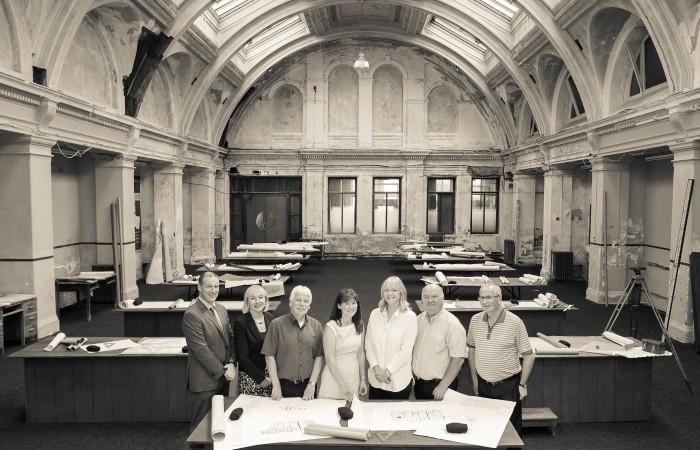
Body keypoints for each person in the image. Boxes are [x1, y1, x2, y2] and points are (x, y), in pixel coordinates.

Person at [467, 283, 535, 435]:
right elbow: (471, 350)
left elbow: (529, 355)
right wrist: (475, 380)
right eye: (482, 298)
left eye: (489, 297)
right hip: (483, 385)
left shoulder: (515, 322)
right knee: (485, 429)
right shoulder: (475, 320)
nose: (485, 302)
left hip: (508, 386)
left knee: (511, 432)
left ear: (500, 298)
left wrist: (522, 385)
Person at [182, 271, 236, 430]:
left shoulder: (221, 308)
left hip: (224, 377)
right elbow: (201, 350)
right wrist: (224, 370)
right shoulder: (192, 315)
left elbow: (230, 338)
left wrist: (232, 362)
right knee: (201, 428)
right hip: (205, 381)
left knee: (220, 427)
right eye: (208, 287)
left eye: (216, 286)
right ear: (199, 287)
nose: (213, 290)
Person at [262, 285, 324, 400]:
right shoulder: (276, 325)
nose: (302, 304)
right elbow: (269, 356)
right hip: (283, 386)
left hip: (307, 386)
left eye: (306, 301)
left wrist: (312, 384)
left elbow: (319, 357)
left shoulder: (317, 326)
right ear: (290, 302)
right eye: (298, 300)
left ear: (309, 305)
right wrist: (276, 385)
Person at [365, 276, 417, 399]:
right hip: (376, 379)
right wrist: (377, 371)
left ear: (401, 293)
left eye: (394, 290)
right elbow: (368, 345)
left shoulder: (410, 317)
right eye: (386, 290)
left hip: (398, 381)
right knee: (376, 416)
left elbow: (405, 351)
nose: (389, 293)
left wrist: (387, 372)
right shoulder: (375, 314)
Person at [412, 283, 466, 400]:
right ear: (422, 299)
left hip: (440, 387)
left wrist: (443, 386)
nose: (430, 300)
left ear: (443, 298)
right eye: (426, 297)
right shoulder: (418, 319)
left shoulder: (452, 324)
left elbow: (458, 360)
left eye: (434, 296)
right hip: (420, 384)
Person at [318, 288, 368, 401]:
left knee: (351, 413)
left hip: (353, 378)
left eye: (354, 303)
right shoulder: (331, 327)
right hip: (334, 379)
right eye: (347, 303)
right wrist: (341, 384)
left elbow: (360, 353)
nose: (351, 307)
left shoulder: (360, 325)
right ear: (339, 306)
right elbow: (330, 359)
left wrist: (363, 379)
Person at [234, 284, 274, 397]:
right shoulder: (241, 323)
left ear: (265, 300)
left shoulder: (270, 317)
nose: (257, 301)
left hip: (271, 375)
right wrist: (261, 378)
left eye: (261, 297)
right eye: (253, 298)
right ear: (247, 302)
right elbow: (242, 357)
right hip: (252, 377)